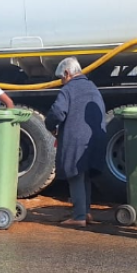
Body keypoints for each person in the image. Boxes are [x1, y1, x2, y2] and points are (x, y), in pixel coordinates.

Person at [44, 57, 106, 227]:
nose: (62, 82)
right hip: (95, 137)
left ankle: (78, 217)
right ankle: (85, 212)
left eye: (61, 78)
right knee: (84, 174)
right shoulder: (92, 87)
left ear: (66, 73)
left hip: (77, 137)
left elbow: (57, 112)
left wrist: (50, 126)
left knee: (75, 174)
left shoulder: (69, 89)